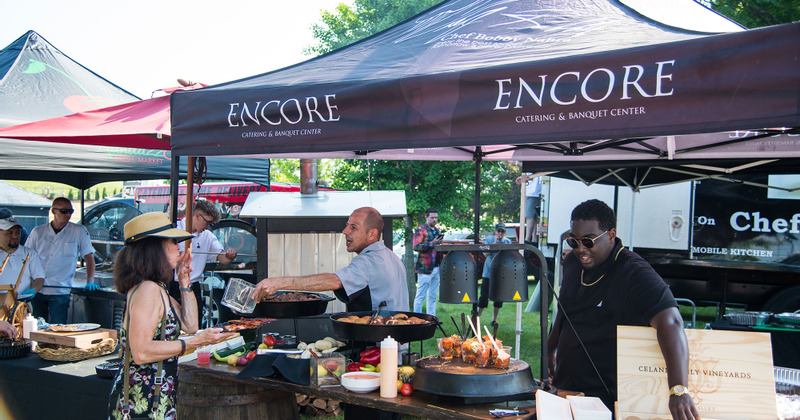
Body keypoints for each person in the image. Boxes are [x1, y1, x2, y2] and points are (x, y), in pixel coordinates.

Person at [548, 199, 698, 419]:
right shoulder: (572, 263)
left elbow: (671, 322)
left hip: (605, 397)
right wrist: (551, 347)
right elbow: (565, 309)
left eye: (588, 241)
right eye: (574, 241)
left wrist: (678, 389)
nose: (580, 249)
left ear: (610, 235)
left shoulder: (634, 272)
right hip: (566, 386)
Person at [108, 212, 236, 420]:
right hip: (141, 402)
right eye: (173, 242)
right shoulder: (147, 290)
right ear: (154, 249)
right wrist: (195, 343)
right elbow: (141, 352)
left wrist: (185, 283)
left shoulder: (156, 288)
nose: (179, 247)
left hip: (155, 398)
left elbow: (191, 324)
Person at [252, 207, 408, 313]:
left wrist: (278, 283)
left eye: (353, 227)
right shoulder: (393, 257)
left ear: (372, 234)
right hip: (399, 347)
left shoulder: (368, 261)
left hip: (378, 350)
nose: (345, 231)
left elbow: (335, 281)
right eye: (347, 225)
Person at [26, 197, 96, 324]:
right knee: (35, 328)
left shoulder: (78, 231)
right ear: (54, 211)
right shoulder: (38, 232)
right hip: (37, 289)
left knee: (58, 329)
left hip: (60, 290)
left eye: (71, 211)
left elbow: (89, 256)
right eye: (64, 211)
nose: (68, 214)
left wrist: (90, 280)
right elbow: (26, 258)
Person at [170, 199, 237, 326]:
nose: (208, 226)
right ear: (197, 216)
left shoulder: (208, 236)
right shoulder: (176, 229)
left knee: (195, 322)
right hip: (173, 285)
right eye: (208, 222)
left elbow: (221, 257)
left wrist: (229, 256)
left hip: (193, 285)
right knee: (174, 323)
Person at [0, 214, 45, 301]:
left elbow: (39, 277)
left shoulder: (30, 254)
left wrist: (33, 290)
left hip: (21, 307)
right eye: (10, 232)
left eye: (17, 232)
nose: (15, 236)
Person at [476, 223, 512, 326]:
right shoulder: (489, 239)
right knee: (483, 296)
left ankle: (494, 320)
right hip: (488, 273)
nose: (500, 233)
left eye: (502, 231)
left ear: (504, 232)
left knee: (498, 297)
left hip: (500, 274)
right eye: (498, 231)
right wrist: (495, 243)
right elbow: (486, 254)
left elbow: (508, 256)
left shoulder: (507, 242)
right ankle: (478, 318)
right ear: (495, 231)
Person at [412, 208, 442, 316]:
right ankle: (416, 319)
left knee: (433, 297)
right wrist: (432, 243)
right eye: (432, 217)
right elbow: (416, 246)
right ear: (426, 217)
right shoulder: (420, 230)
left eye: (436, 217)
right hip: (425, 268)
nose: (434, 220)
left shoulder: (437, 230)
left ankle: (431, 319)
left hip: (436, 267)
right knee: (420, 296)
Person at [515, 174, 541, 243]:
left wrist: (517, 162)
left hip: (532, 192)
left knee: (529, 216)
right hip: (531, 192)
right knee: (534, 217)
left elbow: (531, 175)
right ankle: (534, 239)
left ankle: (527, 239)